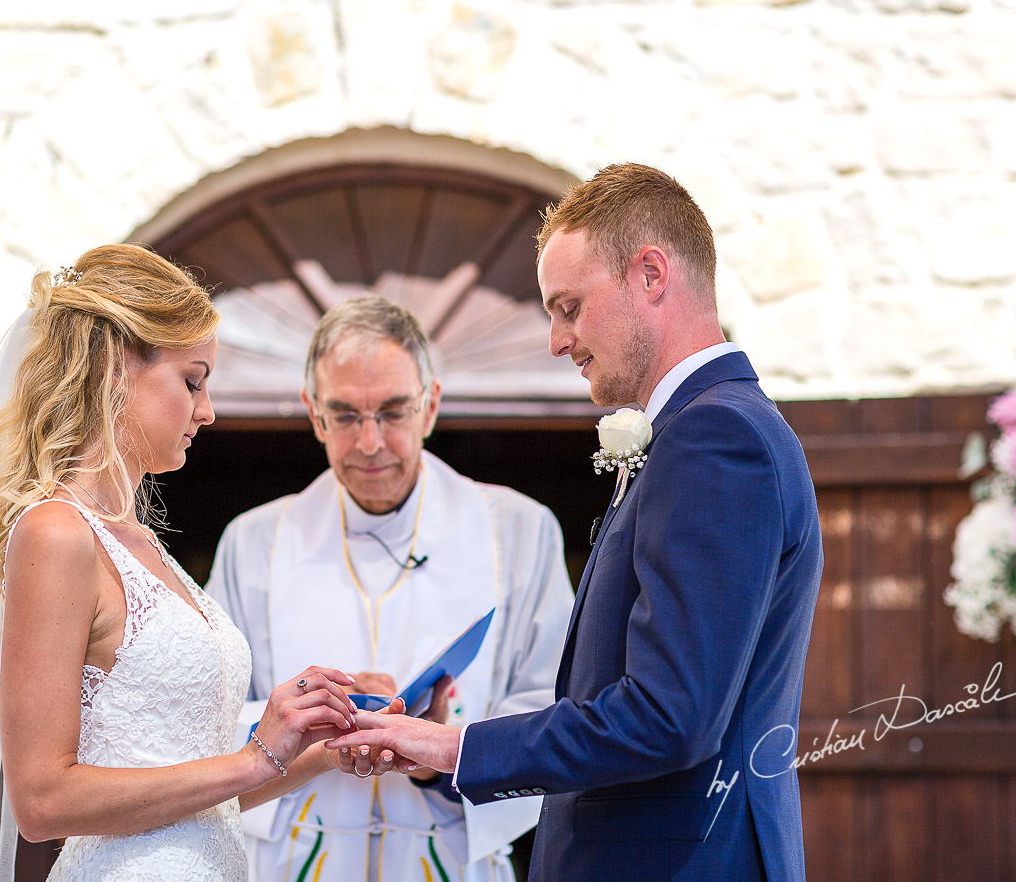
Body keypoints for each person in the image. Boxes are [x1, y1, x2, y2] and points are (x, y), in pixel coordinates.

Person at [0, 244, 363, 881]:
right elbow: (41, 800)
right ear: (118, 368)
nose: (206, 411)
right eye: (193, 380)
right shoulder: (54, 534)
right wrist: (257, 757)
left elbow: (200, 803)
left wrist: (316, 748)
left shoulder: (142, 545)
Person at [327, 165, 825, 882]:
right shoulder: (711, 428)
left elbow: (668, 717)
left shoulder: (716, 439)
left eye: (569, 307)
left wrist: (456, 749)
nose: (557, 340)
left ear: (651, 275)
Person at [210, 295, 575, 881]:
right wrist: (309, 722)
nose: (371, 442)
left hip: (448, 854)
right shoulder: (253, 542)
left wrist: (439, 754)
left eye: (393, 412)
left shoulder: (518, 531)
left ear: (430, 406)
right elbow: (208, 719)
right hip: (296, 858)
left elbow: (551, 708)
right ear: (313, 413)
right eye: (346, 415)